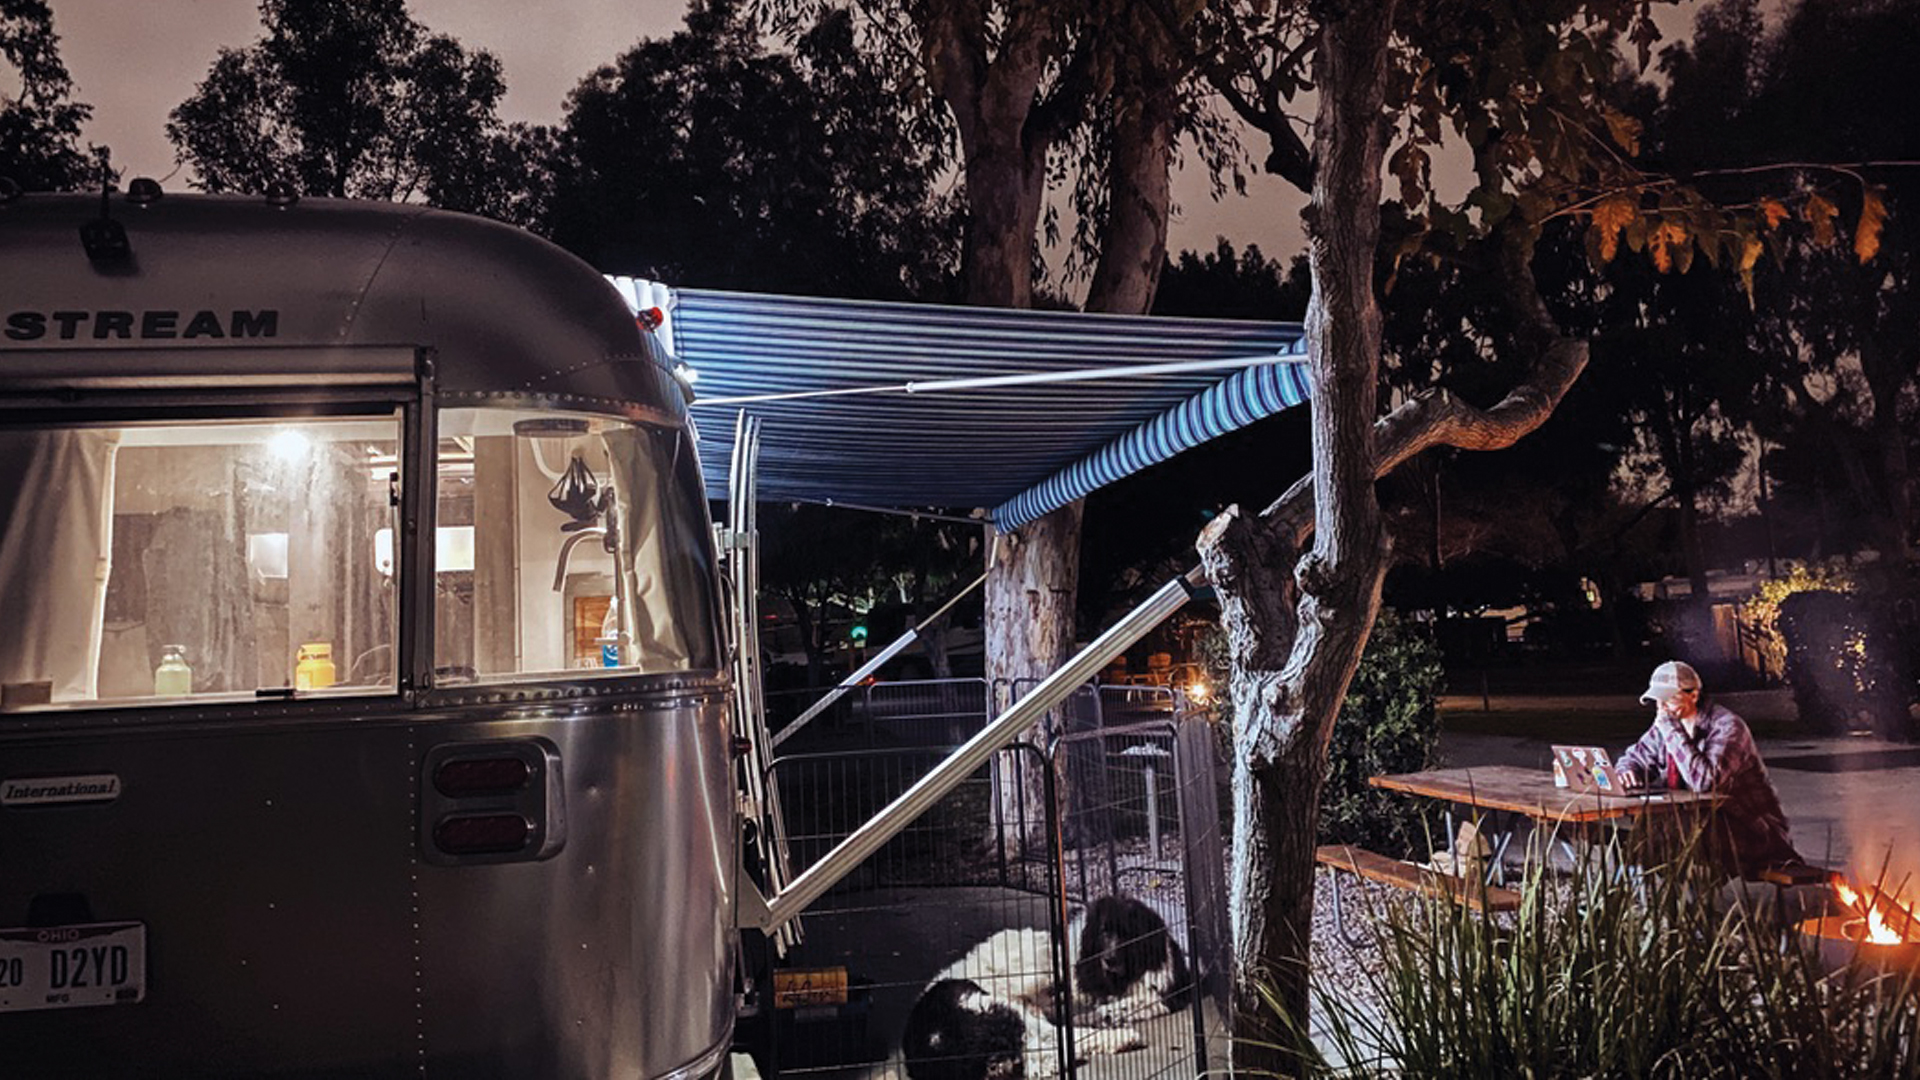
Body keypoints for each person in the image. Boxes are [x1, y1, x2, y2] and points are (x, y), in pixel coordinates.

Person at [1617, 660, 1803, 881]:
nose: (1661, 708)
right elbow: (1633, 758)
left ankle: (1680, 903)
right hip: (1695, 824)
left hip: (1751, 831)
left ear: (1693, 695)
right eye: (1657, 700)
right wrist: (1628, 771)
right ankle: (1659, 900)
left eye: (1668, 699)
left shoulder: (1728, 727)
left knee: (1662, 832)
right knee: (1652, 830)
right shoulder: (1666, 726)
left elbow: (1706, 784)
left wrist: (1671, 730)